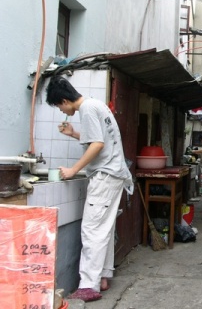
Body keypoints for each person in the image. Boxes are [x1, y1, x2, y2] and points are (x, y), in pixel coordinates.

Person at [46, 76, 133, 302]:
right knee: (103, 227)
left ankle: (88, 285)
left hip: (105, 176)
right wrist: (74, 134)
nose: (62, 111)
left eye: (59, 106)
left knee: (92, 229)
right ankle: (103, 277)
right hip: (114, 175)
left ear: (64, 100)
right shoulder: (96, 105)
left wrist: (74, 170)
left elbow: (97, 144)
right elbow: (99, 138)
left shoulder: (86, 109)